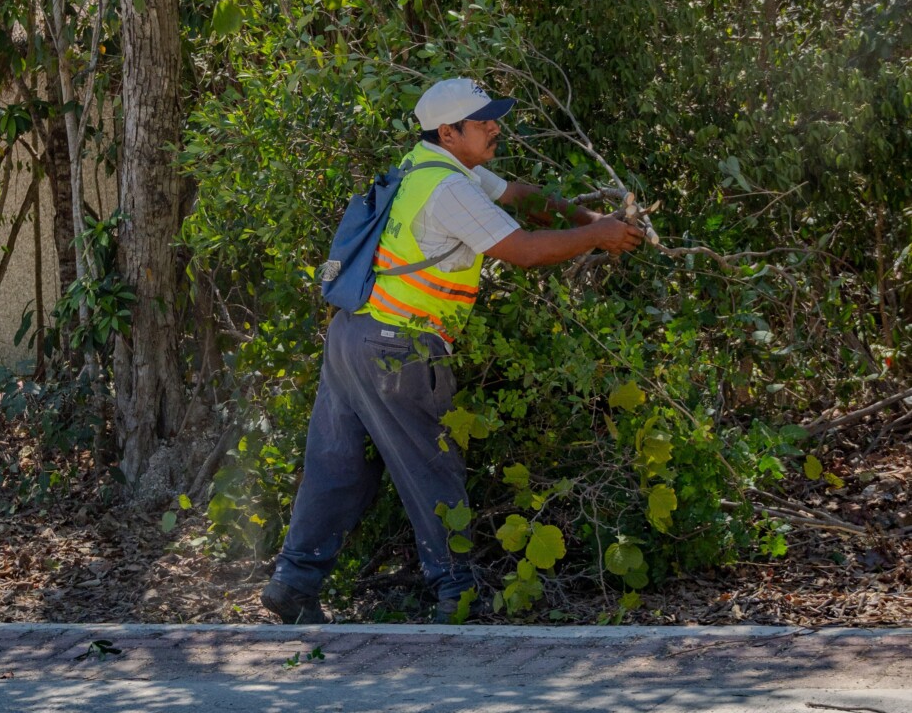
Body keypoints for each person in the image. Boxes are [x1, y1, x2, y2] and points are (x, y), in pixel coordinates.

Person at [261, 78, 644, 624]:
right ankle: (455, 594)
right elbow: (524, 251)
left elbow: (520, 197)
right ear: (449, 131)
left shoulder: (428, 166)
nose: (495, 127)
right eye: (482, 120)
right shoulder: (451, 191)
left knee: (337, 463)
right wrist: (598, 237)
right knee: (431, 468)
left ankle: (294, 582)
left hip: (351, 336)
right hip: (399, 348)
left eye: (494, 117)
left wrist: (591, 221)